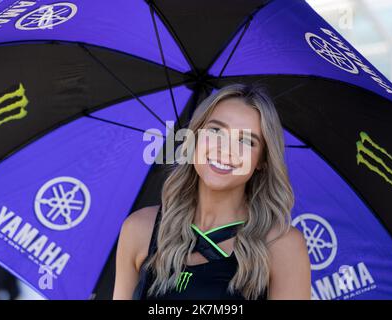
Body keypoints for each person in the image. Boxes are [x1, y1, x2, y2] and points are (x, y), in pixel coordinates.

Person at [113, 83, 311, 300]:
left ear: (262, 160)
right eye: (215, 130)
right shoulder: (139, 228)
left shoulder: (283, 246)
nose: (225, 149)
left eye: (245, 141)